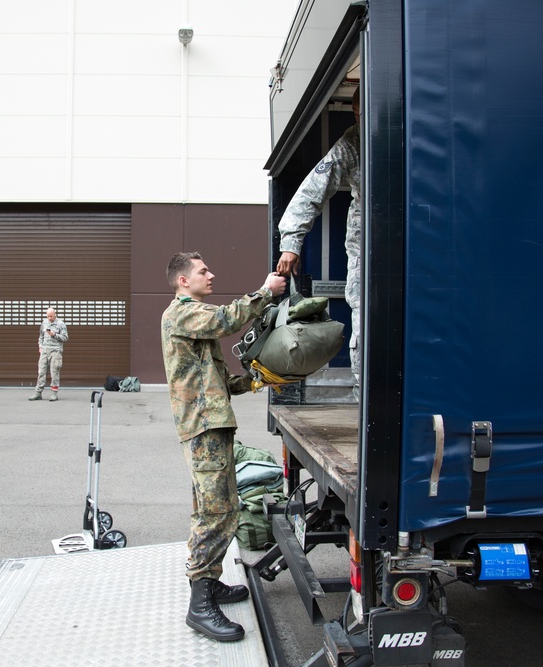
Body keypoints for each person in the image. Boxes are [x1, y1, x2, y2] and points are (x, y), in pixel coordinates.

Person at [161, 252, 286, 642]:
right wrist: (265, 292)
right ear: (184, 280)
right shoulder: (182, 313)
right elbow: (225, 319)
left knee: (218, 508)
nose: (211, 275)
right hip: (203, 428)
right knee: (217, 513)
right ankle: (200, 605)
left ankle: (208, 585)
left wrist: (256, 379)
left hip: (211, 425)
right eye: (203, 271)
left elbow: (216, 379)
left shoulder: (190, 318)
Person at [276, 85, 362, 400]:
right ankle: (366, 400)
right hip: (366, 252)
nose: (359, 120)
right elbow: (313, 189)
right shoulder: (354, 143)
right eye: (356, 115)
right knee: (365, 326)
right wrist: (292, 241)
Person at [28, 307, 68, 402]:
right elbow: (41, 336)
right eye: (48, 316)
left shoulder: (60, 324)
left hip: (55, 351)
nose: (49, 318)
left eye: (51, 316)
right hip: (45, 351)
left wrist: (54, 335)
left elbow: (65, 337)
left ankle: (54, 393)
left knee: (54, 372)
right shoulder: (44, 323)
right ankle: (38, 392)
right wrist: (40, 346)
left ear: (55, 314)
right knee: (41, 371)